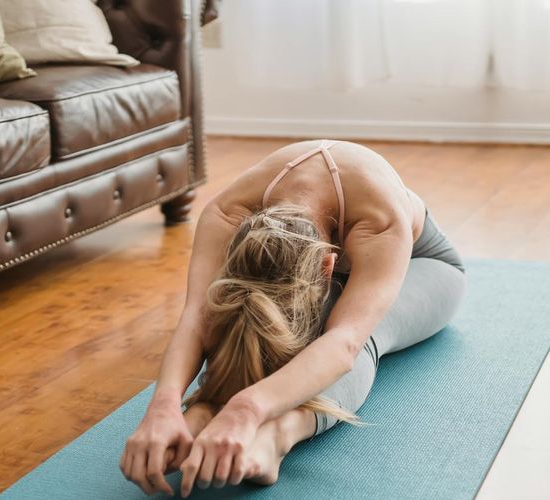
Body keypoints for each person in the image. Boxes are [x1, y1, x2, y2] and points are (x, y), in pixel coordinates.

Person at [120, 139, 466, 497]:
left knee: (357, 333)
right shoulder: (227, 214)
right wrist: (162, 407)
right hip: (312, 263)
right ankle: (206, 411)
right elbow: (197, 316)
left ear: (327, 266)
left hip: (423, 266)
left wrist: (247, 411)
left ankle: (280, 434)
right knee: (239, 313)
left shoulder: (379, 220)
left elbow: (345, 341)